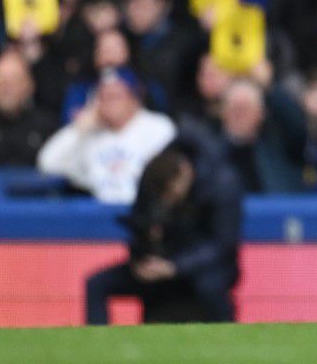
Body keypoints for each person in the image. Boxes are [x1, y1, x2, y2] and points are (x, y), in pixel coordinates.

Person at [85, 127, 243, 324]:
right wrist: (142, 259)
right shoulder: (152, 178)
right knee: (97, 283)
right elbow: (138, 225)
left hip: (202, 266)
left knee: (209, 285)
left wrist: (175, 266)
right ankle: (99, 345)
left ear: (185, 172)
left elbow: (222, 245)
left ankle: (227, 331)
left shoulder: (221, 184)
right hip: (161, 261)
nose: (168, 200)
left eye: (171, 192)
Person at [37, 68, 175, 203]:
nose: (109, 104)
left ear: (134, 98)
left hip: (141, 211)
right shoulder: (89, 133)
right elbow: (48, 164)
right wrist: (77, 130)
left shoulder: (158, 127)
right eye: (104, 97)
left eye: (116, 96)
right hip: (99, 213)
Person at [0, 50, 54, 166]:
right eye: (0, 80)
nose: (6, 88)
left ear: (29, 85)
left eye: (14, 80)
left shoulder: (46, 126)